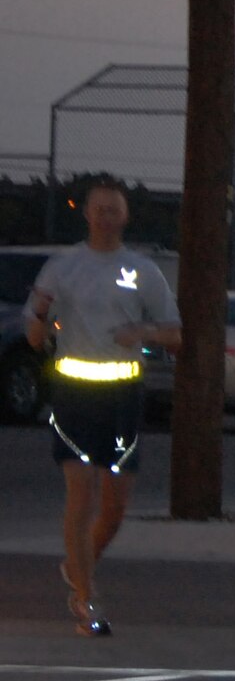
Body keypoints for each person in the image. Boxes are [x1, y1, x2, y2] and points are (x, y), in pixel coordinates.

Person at [25, 178, 180, 636]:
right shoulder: (63, 266)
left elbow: (176, 332)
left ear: (125, 216)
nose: (106, 217)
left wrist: (144, 335)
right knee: (81, 489)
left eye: (114, 210)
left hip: (123, 392)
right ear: (87, 213)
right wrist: (41, 318)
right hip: (74, 388)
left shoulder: (143, 270)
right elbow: (35, 334)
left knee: (114, 505)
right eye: (99, 210)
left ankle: (78, 565)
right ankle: (87, 598)